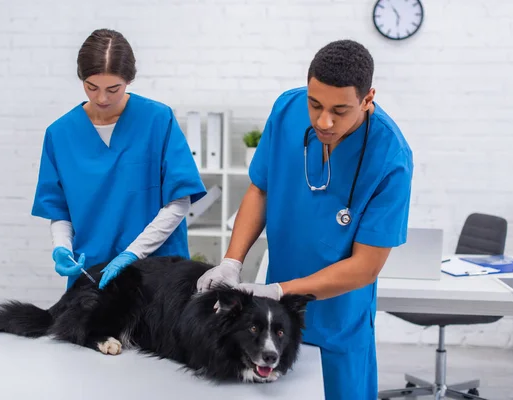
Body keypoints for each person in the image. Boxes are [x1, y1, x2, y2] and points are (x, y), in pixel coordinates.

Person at [196, 39, 413, 399]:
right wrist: (232, 261)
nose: (324, 121)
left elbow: (365, 267)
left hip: (338, 319)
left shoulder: (391, 158)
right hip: (274, 320)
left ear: (367, 98)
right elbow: (260, 189)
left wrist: (281, 291)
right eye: (315, 105)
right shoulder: (287, 110)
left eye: (340, 111)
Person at [32, 28, 206, 290]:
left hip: (159, 270)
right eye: (92, 87)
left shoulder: (158, 120)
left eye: (113, 89)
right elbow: (59, 210)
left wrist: (133, 253)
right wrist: (61, 247)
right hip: (93, 273)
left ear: (129, 81)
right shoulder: (60, 134)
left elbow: (179, 200)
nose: (102, 98)